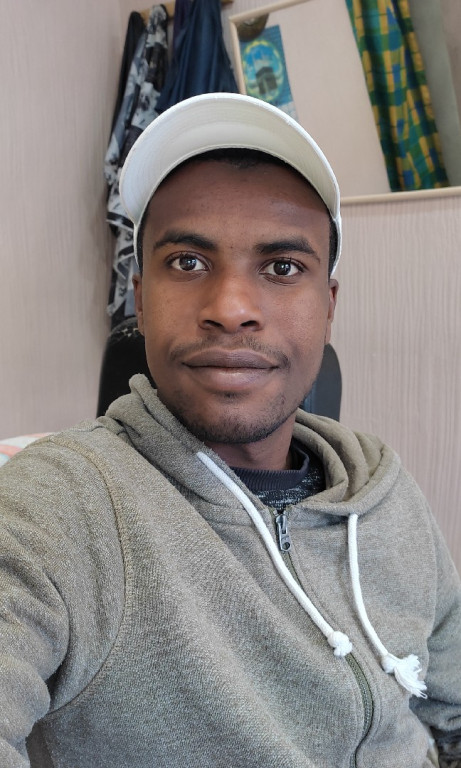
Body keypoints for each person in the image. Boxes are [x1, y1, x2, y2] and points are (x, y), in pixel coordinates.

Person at [0, 93, 460, 768]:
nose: (231, 308)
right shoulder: (61, 506)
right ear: (140, 298)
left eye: (282, 267)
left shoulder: (384, 492)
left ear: (328, 306)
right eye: (188, 262)